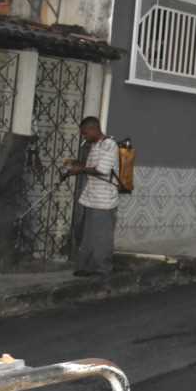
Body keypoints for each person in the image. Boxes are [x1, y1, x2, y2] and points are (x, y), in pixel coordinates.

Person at [63, 116, 119, 277]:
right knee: (88, 235)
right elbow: (90, 167)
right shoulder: (95, 145)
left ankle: (103, 269)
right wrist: (74, 165)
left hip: (104, 200)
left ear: (94, 129)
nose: (84, 137)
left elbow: (102, 169)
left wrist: (79, 170)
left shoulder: (110, 145)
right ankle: (86, 267)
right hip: (92, 197)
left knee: (102, 237)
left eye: (86, 133)